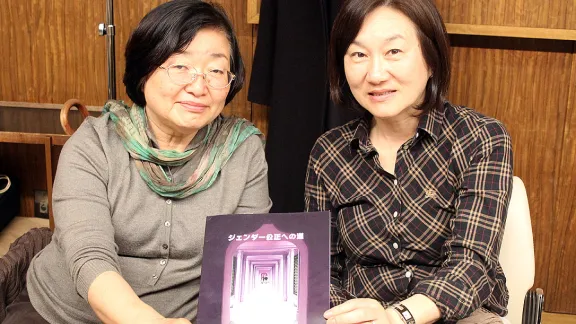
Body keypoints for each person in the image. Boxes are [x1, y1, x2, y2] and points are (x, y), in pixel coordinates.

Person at [5, 1, 271, 323]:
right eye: (180, 66)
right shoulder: (95, 144)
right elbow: (88, 252)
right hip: (65, 313)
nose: (199, 86)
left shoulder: (243, 151)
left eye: (215, 71)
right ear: (145, 71)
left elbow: (241, 260)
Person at [304, 0, 513, 323]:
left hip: (458, 316)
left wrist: (397, 316)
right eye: (358, 55)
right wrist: (353, 314)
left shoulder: (481, 137)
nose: (375, 74)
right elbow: (321, 267)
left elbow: (472, 264)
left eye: (394, 52)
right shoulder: (329, 152)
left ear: (431, 59)